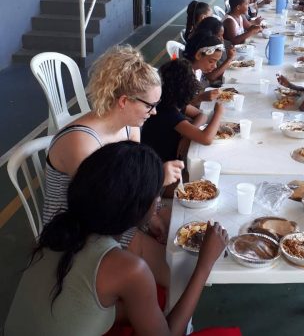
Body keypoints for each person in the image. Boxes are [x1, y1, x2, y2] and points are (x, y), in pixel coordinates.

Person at [5, 141, 228, 336]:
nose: (159, 201)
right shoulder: (129, 269)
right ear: (138, 209)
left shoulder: (59, 229)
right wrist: (204, 265)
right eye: (156, 196)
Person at [43, 45, 182, 287]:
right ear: (124, 101)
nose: (155, 112)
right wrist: (158, 179)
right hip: (77, 230)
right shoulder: (81, 142)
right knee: (173, 272)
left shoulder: (131, 125)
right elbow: (103, 207)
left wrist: (154, 216)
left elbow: (131, 185)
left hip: (113, 215)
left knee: (178, 223)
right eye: (150, 105)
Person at [142, 59, 224, 162]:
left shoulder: (171, 101)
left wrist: (187, 136)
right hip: (161, 164)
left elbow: (201, 115)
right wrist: (219, 113)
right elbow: (206, 139)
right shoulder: (167, 112)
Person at [195, 16, 236, 86]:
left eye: (222, 36)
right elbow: (211, 77)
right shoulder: (206, 50)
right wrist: (229, 59)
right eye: (219, 36)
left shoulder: (217, 47)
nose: (222, 39)